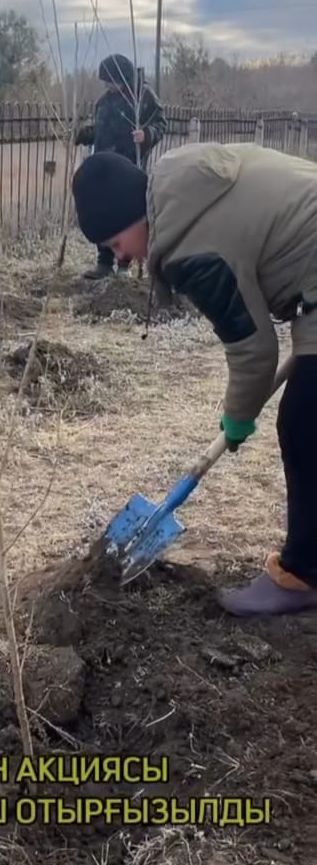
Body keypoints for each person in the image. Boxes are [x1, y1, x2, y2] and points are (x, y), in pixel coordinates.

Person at [72, 140, 317, 617]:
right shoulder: (184, 183)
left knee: (304, 423)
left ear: (129, 219)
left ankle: (302, 574)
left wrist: (237, 417)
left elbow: (252, 349)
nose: (120, 259)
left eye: (116, 245)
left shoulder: (191, 246)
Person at [75, 53, 166, 279]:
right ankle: (104, 262)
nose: (107, 85)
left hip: (129, 168)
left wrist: (146, 135)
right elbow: (101, 129)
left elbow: (161, 124)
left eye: (110, 80)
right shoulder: (103, 102)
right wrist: (87, 134)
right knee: (104, 213)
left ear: (122, 77)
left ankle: (124, 266)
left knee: (126, 216)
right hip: (104, 170)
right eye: (105, 81)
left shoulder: (142, 98)